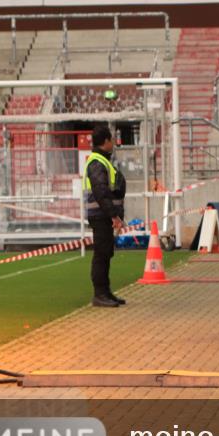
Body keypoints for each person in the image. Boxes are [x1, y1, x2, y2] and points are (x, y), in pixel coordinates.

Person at [84, 124, 127, 307]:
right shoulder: (97, 163)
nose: (113, 143)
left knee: (106, 253)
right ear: (106, 141)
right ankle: (99, 294)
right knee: (101, 254)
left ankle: (106, 292)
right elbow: (101, 192)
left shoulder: (102, 161)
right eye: (111, 139)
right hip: (101, 215)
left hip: (104, 215)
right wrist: (113, 216)